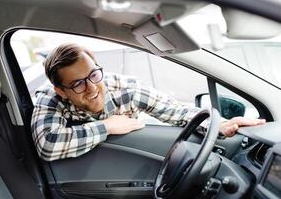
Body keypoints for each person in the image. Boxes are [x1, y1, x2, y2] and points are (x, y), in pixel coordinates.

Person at [31, 43, 266, 161]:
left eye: (94, 74)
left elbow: (176, 111)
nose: (92, 88)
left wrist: (222, 124)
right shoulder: (50, 99)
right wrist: (108, 126)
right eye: (77, 84)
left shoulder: (127, 89)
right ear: (60, 90)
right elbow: (47, 145)